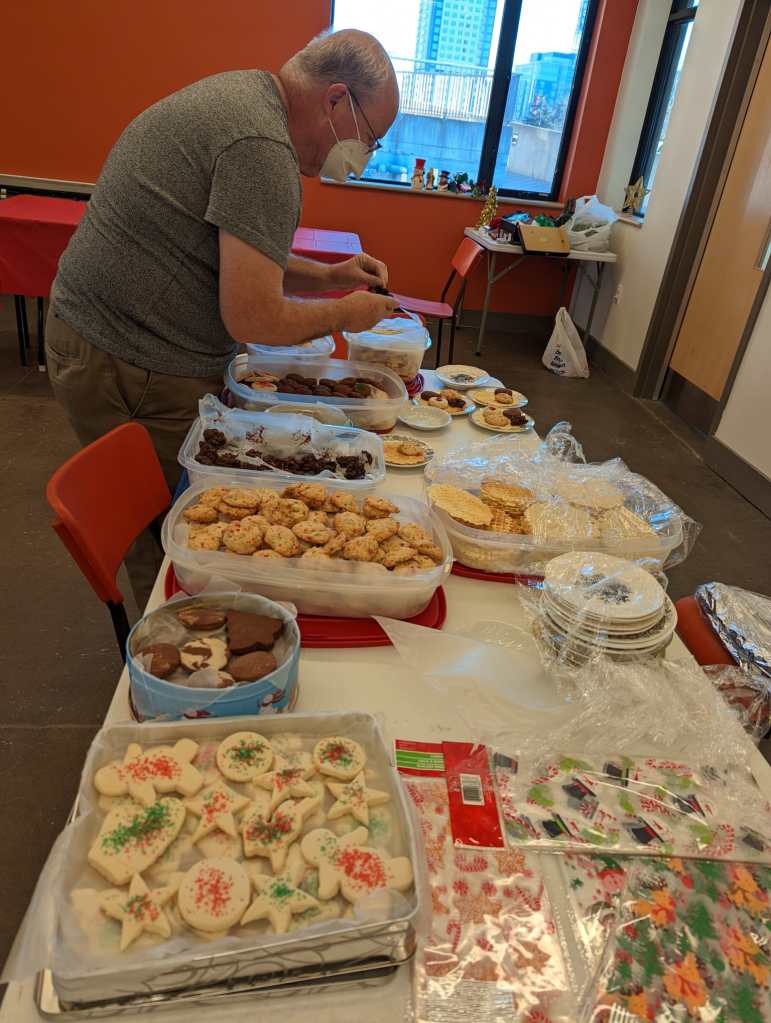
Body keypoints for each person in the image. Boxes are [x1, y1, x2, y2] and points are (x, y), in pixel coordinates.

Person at [45, 29, 399, 607]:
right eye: (370, 139)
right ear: (336, 100)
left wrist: (331, 277)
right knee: (179, 535)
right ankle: (184, 640)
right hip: (127, 357)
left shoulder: (249, 100)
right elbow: (254, 317)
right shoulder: (261, 146)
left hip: (117, 340)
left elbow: (239, 258)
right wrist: (347, 314)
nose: (363, 158)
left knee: (183, 518)